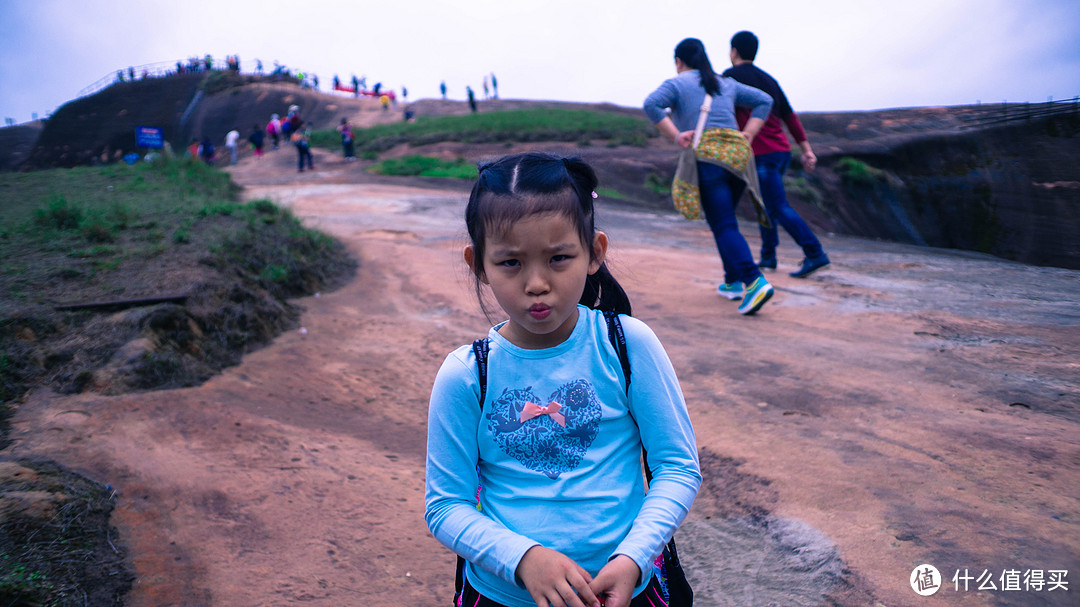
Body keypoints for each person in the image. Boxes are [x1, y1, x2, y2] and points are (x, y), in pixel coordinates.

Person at [425, 152, 701, 607]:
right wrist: (524, 559)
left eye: (558, 258)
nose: (537, 283)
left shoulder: (627, 346)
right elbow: (445, 506)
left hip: (626, 589)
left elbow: (678, 467)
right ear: (478, 263)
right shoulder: (466, 374)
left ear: (594, 253)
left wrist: (633, 558)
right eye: (511, 263)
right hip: (503, 595)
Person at [644, 37, 776, 314]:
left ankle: (753, 281)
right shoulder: (724, 83)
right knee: (725, 222)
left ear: (678, 62)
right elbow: (765, 100)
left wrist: (677, 135)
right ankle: (732, 282)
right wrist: (749, 133)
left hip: (708, 159)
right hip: (737, 158)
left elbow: (651, 104)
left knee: (724, 223)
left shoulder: (677, 84)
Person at [723, 31, 830, 278]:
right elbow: (790, 117)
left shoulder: (729, 78)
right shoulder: (769, 80)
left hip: (761, 153)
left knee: (777, 205)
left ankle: (815, 253)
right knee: (766, 205)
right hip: (780, 151)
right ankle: (768, 257)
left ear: (734, 51)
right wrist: (806, 150)